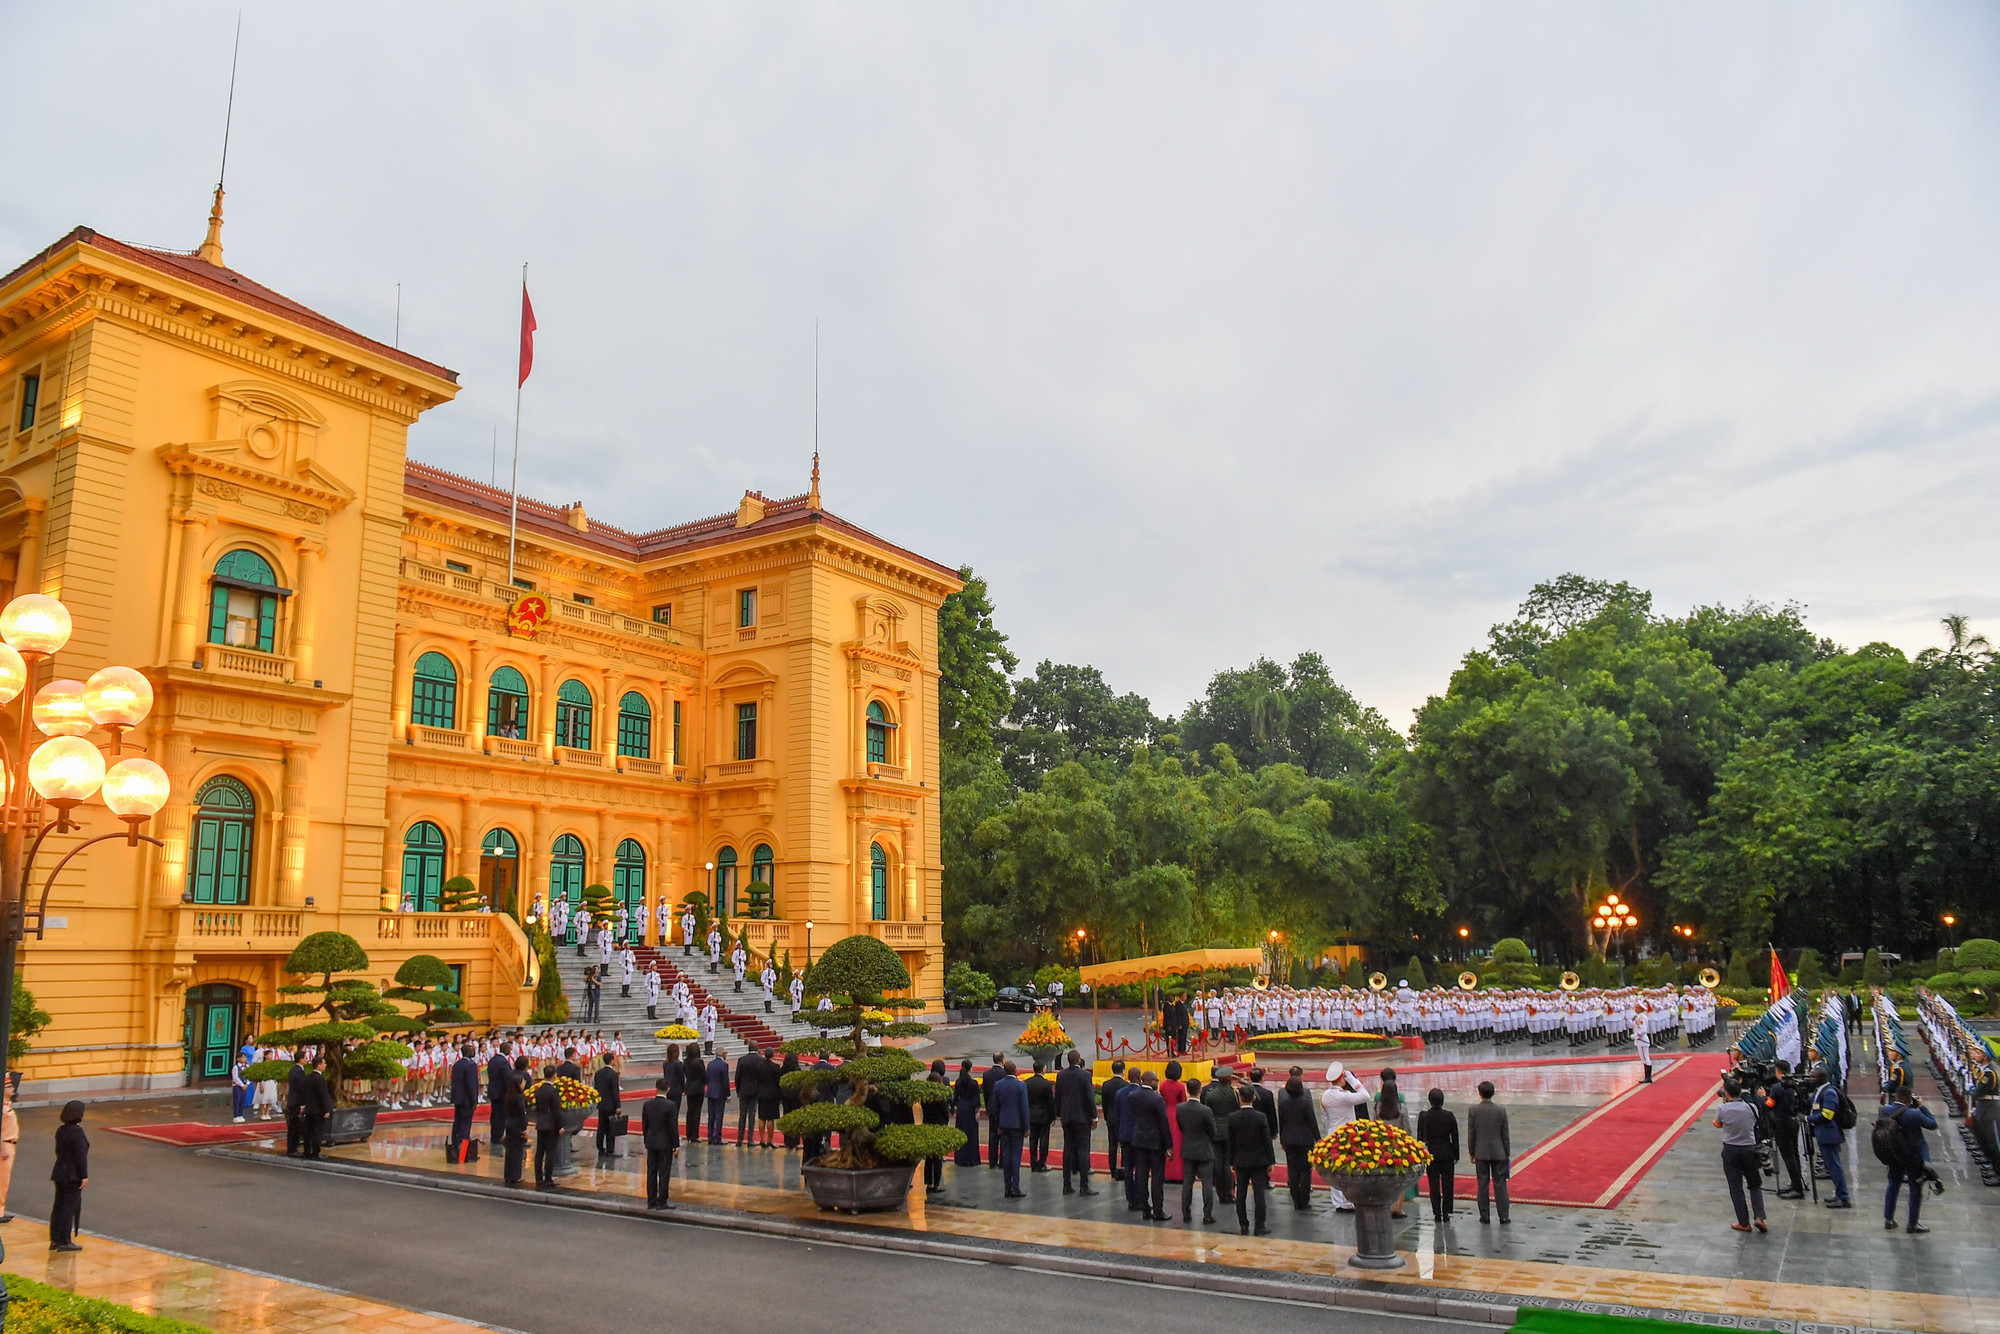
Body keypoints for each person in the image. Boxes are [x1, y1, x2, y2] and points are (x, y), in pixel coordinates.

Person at [1880, 1088, 1937, 1234]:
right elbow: (1932, 1124)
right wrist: (1922, 1106)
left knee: (1893, 1184)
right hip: (1913, 1156)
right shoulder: (1914, 1113)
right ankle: (1912, 1224)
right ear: (1909, 1098)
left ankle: (1889, 1219)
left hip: (1894, 1154)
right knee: (1915, 1189)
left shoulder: (1885, 1110)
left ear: (1896, 1096)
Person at [1714, 1079, 1767, 1232]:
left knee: (1735, 1186)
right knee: (1755, 1184)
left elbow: (1717, 1124)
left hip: (1731, 1149)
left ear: (1727, 1093)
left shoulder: (1722, 1109)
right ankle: (1759, 1216)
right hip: (1749, 1148)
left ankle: (1743, 1222)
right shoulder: (1751, 1107)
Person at [1227, 1085, 1275, 1236]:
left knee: (1240, 1193)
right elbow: (1267, 1141)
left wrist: (1231, 1161)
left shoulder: (1233, 1117)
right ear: (1253, 1098)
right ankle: (1259, 1226)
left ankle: (1243, 1224)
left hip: (1240, 1160)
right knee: (1259, 1192)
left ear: (1239, 1099)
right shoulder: (1261, 1117)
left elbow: (1231, 1142)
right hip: (1259, 1160)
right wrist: (1271, 1161)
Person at [1127, 1070, 1174, 1222]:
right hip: (1155, 1142)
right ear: (1151, 1081)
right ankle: (1158, 1210)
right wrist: (1169, 1145)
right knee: (1157, 1177)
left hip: (1139, 1140)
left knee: (1141, 1176)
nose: (1157, 1082)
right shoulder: (1157, 1099)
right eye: (1156, 1080)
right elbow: (1163, 1123)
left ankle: (1145, 1209)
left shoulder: (1133, 1096)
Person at [1276, 1066, 1322, 1211]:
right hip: (1305, 1140)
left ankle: (1296, 1200)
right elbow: (1312, 1122)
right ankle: (1304, 1200)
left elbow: (1281, 1122)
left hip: (1289, 1140)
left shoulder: (1283, 1102)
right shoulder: (1306, 1102)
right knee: (1305, 1170)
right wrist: (1318, 1139)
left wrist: (1282, 1140)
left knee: (1293, 1169)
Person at [1054, 1050, 1098, 1195]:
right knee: (1083, 1151)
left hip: (1067, 1118)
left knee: (1068, 1150)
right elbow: (1090, 1098)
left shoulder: (1061, 1075)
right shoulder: (1085, 1075)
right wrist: (1094, 1117)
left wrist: (1059, 1115)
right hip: (1082, 1118)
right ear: (1079, 1060)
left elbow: (1058, 1097)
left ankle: (1066, 1184)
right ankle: (1084, 1186)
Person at [1467, 1079, 1511, 1225]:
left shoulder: (1473, 1111)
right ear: (1493, 1093)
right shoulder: (1501, 1111)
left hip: (1481, 1152)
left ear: (1479, 1093)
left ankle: (1484, 1215)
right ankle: (1503, 1215)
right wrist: (1507, 1153)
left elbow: (1471, 1134)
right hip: (1499, 1152)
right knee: (1500, 1184)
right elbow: (1505, 1135)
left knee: (1482, 1184)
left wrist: (1472, 1152)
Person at [1176, 1075, 1218, 1223]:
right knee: (1207, 1182)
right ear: (1200, 1090)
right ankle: (1207, 1214)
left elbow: (1181, 1127)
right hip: (1204, 1149)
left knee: (1187, 1182)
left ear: (1187, 1090)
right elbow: (1213, 1132)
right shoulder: (1205, 1110)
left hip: (1188, 1148)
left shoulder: (1180, 1108)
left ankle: (1186, 1214)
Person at [1415, 1088, 1460, 1221]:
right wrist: (1456, 1154)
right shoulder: (1449, 1115)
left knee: (1433, 1183)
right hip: (1447, 1152)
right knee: (1448, 1183)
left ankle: (1436, 1212)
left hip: (1431, 1153)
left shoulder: (1424, 1116)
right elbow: (1455, 1136)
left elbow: (1420, 1137)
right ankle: (1446, 1211)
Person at [49, 1100, 88, 1252]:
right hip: (72, 1174)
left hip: (59, 1171)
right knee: (68, 1207)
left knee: (58, 1206)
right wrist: (84, 1175)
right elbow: (80, 1156)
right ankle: (65, 1240)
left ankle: (55, 1238)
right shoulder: (77, 1132)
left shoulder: (61, 1130)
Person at [1809, 1073, 1851, 1208]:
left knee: (1835, 1167)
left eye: (1813, 1076)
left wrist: (1807, 1119)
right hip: (1823, 1134)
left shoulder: (1829, 1093)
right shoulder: (1819, 1091)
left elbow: (1827, 1115)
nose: (1811, 1079)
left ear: (1821, 1078)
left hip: (1829, 1134)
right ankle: (1839, 1194)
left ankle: (1843, 1197)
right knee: (1832, 1167)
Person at [990, 1060, 1030, 1198]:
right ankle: (1015, 1186)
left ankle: (1007, 1186)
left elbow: (995, 1108)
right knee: (1015, 1156)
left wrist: (998, 1124)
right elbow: (1024, 1108)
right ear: (1015, 1070)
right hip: (1017, 1125)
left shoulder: (998, 1085)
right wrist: (1026, 1127)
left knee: (1006, 1155)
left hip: (1004, 1124)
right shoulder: (1021, 1086)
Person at [641, 1077, 681, 1208]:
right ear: (668, 1089)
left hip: (651, 1141)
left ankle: (651, 1200)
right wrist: (676, 1145)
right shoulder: (671, 1105)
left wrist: (646, 1139)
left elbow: (644, 1125)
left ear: (656, 1088)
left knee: (651, 1172)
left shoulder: (647, 1104)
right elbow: (673, 1127)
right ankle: (662, 1200)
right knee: (664, 1173)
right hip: (665, 1143)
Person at [1375, 1068, 1410, 1218]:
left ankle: (1389, 1206)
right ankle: (1398, 1208)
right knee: (1400, 1178)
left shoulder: (1378, 1108)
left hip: (1383, 1146)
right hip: (1399, 1146)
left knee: (1386, 1177)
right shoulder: (1401, 1109)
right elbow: (1407, 1129)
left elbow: (1374, 1126)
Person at [1201, 1069, 1238, 1204]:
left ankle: (1220, 1192)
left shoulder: (1211, 1095)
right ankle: (1229, 1192)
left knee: (1218, 1162)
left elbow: (1207, 1112)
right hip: (1230, 1130)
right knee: (1228, 1162)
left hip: (1215, 1130)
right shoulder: (1234, 1093)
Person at [920, 1059, 952, 1192]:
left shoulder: (925, 1094)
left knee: (929, 1157)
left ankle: (928, 1183)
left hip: (927, 1124)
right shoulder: (940, 1096)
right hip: (938, 1125)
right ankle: (937, 1184)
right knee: (937, 1157)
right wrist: (945, 1122)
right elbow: (945, 1112)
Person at [532, 1064, 563, 1189]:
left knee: (540, 1151)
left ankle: (539, 1177)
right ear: (554, 1076)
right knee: (550, 1152)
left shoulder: (539, 1090)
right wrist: (560, 1125)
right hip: (551, 1124)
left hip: (541, 1123)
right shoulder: (553, 1091)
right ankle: (548, 1177)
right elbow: (556, 1110)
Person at [1099, 1060, 1129, 1181]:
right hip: (1123, 1119)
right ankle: (1123, 1168)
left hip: (1111, 1118)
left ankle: (1112, 1170)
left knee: (1112, 1145)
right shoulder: (1126, 1086)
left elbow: (1104, 1104)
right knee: (1124, 1146)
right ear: (1123, 1071)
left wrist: (1106, 1117)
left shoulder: (1106, 1085)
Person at [501, 1061, 530, 1187]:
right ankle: (515, 1176)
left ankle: (508, 1175)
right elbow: (522, 1114)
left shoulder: (509, 1096)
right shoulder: (520, 1097)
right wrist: (524, 1128)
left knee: (510, 1151)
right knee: (517, 1152)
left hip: (509, 1125)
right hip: (517, 1126)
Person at [1023, 1059, 1056, 1172]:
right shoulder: (1046, 1084)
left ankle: (1033, 1162)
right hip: (1043, 1117)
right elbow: (1050, 1103)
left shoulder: (1027, 1083)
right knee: (1043, 1140)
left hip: (1031, 1116)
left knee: (1033, 1140)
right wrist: (1053, 1116)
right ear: (1043, 1069)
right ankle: (1042, 1163)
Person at [299, 1056, 334, 1159]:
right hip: (318, 1110)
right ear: (318, 1065)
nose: (325, 1065)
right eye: (323, 1064)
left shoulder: (307, 1077)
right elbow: (323, 1095)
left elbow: (304, 1093)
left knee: (308, 1132)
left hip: (309, 1109)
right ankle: (316, 1152)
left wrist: (303, 1106)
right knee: (317, 1132)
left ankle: (307, 1151)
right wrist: (327, 1109)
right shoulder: (320, 1079)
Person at [449, 1042, 482, 1147]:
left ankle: (455, 1142)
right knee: (466, 1122)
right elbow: (471, 1084)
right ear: (469, 1052)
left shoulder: (457, 1064)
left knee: (457, 1121)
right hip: (467, 1099)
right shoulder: (471, 1065)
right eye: (472, 1050)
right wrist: (474, 1100)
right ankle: (463, 1145)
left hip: (457, 1098)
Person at [952, 1060, 983, 1167]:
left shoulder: (958, 1082)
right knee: (972, 1135)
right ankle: (971, 1159)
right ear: (971, 1068)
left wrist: (955, 1110)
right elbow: (976, 1100)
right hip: (970, 1109)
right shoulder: (973, 1083)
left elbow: (955, 1099)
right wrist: (977, 1112)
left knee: (961, 1133)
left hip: (961, 1109)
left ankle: (960, 1158)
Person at [734, 1047, 765, 1149]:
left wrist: (738, 1089)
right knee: (752, 1114)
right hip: (755, 1091)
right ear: (757, 1048)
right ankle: (750, 1139)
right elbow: (761, 1077)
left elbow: (737, 1077)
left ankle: (740, 1138)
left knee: (742, 1114)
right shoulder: (761, 1060)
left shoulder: (742, 1060)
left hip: (743, 1090)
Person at [593, 1054, 622, 1160]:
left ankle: (600, 1148)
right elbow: (615, 1091)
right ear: (611, 1061)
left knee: (601, 1126)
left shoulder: (598, 1073)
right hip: (610, 1104)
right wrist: (618, 1105)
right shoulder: (613, 1074)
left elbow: (596, 1088)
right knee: (610, 1128)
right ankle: (610, 1150)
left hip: (601, 1103)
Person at [980, 1053, 1006, 1169]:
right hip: (1002, 1108)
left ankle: (992, 1161)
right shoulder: (1004, 1073)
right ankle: (1002, 1161)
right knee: (1004, 1136)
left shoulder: (986, 1074)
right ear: (1002, 1060)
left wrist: (987, 1106)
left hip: (991, 1108)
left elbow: (985, 1093)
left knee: (993, 1135)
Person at [486, 1040, 514, 1146]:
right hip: (501, 1092)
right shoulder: (503, 1062)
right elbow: (507, 1077)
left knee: (494, 1115)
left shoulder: (493, 1060)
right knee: (500, 1116)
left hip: (493, 1090)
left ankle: (494, 1135)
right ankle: (498, 1137)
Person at [0, 1074, 19, 1223]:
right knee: (2, 1180)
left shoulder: (7, 1104)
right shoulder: (3, 1107)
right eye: (8, 1086)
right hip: (5, 1145)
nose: (12, 1089)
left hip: (10, 1144)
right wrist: (2, 1149)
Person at [284, 1052, 311, 1156]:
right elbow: (301, 1089)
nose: (307, 1060)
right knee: (295, 1127)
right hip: (296, 1102)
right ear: (300, 1059)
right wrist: (303, 1104)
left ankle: (292, 1148)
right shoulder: (299, 1072)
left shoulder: (294, 1070)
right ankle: (292, 1149)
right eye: (305, 1058)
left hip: (293, 1101)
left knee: (293, 1126)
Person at [704, 1049, 731, 1144]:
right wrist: (728, 1094)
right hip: (720, 1093)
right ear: (723, 1054)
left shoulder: (710, 1064)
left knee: (711, 1115)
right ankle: (718, 1137)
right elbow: (725, 1081)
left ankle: (710, 1136)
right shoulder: (724, 1065)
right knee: (719, 1115)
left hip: (711, 1091)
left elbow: (707, 1078)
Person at [681, 1047, 706, 1143]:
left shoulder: (686, 1061)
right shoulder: (699, 1062)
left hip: (689, 1087)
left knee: (690, 1111)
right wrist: (704, 1082)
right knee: (696, 1112)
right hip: (698, 1088)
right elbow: (703, 1074)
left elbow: (685, 1073)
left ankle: (689, 1134)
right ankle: (695, 1135)